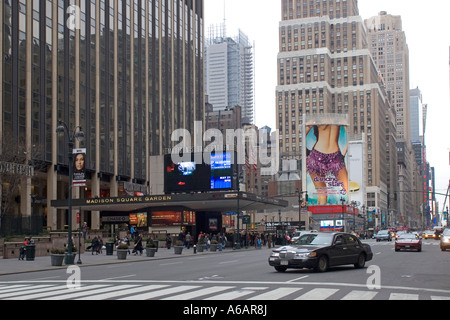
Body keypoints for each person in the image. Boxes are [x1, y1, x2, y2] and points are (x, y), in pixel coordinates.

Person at [306, 125, 349, 205]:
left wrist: (307, 153)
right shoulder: (337, 120)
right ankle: (318, 216)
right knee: (346, 189)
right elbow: (350, 135)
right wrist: (343, 153)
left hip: (320, 155)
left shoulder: (317, 120)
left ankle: (318, 216)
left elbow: (301, 136)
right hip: (329, 156)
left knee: (323, 193)